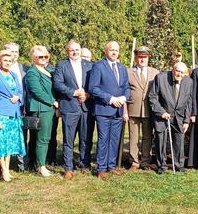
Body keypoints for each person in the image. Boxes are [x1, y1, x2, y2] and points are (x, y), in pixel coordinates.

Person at [89, 41, 130, 179]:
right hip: (104, 109)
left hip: (118, 110)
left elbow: (126, 87)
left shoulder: (122, 68)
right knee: (103, 139)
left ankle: (111, 166)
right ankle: (101, 168)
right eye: (111, 50)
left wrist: (124, 97)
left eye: (116, 50)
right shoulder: (98, 66)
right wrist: (111, 99)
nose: (114, 52)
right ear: (106, 51)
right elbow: (93, 88)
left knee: (114, 139)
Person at [53, 40, 94, 179]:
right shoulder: (62, 65)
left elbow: (94, 84)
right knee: (68, 139)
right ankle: (68, 168)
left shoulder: (89, 65)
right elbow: (58, 84)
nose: (75, 52)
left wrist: (88, 94)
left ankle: (84, 163)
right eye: (72, 50)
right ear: (67, 51)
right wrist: (74, 92)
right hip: (69, 106)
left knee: (85, 138)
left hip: (86, 107)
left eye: (77, 49)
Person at [0, 50, 26, 182]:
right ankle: (3, 171)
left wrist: (18, 97)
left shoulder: (14, 75)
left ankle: (7, 170)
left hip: (14, 114)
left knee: (9, 144)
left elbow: (21, 92)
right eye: (5, 60)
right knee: (1, 143)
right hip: (1, 113)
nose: (8, 63)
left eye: (10, 61)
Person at [148, 62, 193, 174]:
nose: (179, 74)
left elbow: (189, 102)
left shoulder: (189, 82)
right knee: (161, 141)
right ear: (173, 70)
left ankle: (179, 165)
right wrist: (161, 112)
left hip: (179, 116)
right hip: (163, 115)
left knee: (179, 141)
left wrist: (186, 120)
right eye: (177, 71)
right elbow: (152, 97)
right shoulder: (161, 78)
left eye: (182, 72)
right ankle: (161, 166)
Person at [24, 45, 59, 177]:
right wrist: (53, 102)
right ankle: (41, 166)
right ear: (33, 58)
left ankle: (40, 163)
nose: (44, 58)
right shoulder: (32, 72)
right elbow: (37, 91)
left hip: (48, 109)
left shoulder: (49, 70)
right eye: (40, 56)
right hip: (41, 108)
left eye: (46, 56)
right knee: (42, 139)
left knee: (46, 137)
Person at [125, 46, 159, 170]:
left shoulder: (155, 72)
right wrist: (124, 111)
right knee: (133, 137)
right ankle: (134, 161)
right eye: (140, 57)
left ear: (148, 58)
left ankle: (145, 161)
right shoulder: (128, 72)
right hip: (132, 109)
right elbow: (123, 91)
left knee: (147, 136)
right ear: (136, 58)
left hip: (149, 110)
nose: (142, 60)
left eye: (145, 57)